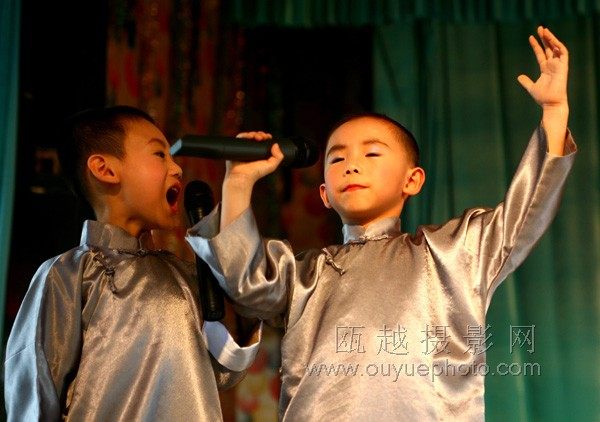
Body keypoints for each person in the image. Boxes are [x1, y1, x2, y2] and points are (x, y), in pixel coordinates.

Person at [187, 27, 576, 420]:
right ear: (324, 194)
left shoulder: (450, 253)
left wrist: (555, 111)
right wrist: (238, 182)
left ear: (413, 180)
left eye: (372, 153)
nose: (352, 165)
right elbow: (245, 281)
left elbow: (523, 215)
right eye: (337, 159)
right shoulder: (307, 275)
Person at [4, 106, 261, 421]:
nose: (177, 168)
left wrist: (238, 188)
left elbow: (227, 368)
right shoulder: (68, 273)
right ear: (105, 169)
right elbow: (35, 387)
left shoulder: (185, 276)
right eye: (159, 155)